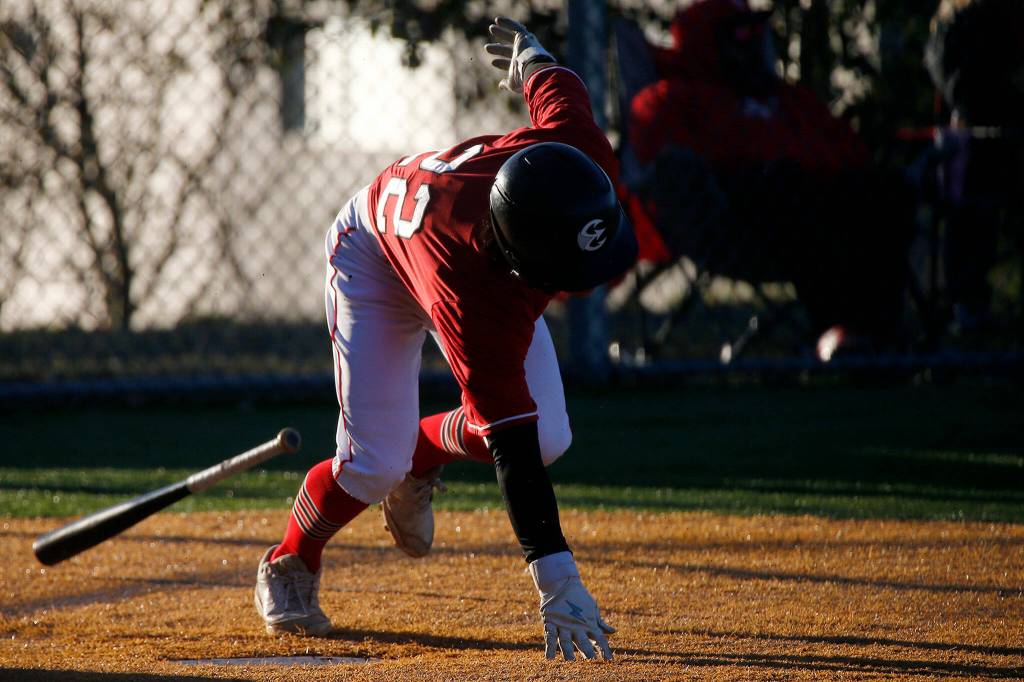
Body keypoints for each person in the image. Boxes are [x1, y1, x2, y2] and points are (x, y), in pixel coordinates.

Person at [253, 17, 636, 662]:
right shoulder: (473, 293)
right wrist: (557, 580)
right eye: (561, 276)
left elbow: (558, 94)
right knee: (376, 462)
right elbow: (506, 445)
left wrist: (534, 58)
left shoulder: (579, 159)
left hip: (452, 236)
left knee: (551, 437)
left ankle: (422, 457)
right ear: (519, 261)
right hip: (376, 255)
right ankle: (291, 558)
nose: (577, 289)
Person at [621, 0, 912, 360]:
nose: (751, 46)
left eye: (755, 35)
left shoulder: (789, 99)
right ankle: (839, 330)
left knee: (884, 189)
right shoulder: (670, 100)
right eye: (738, 35)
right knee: (787, 185)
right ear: (707, 41)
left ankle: (876, 334)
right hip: (735, 224)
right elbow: (678, 165)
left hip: (825, 211)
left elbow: (849, 152)